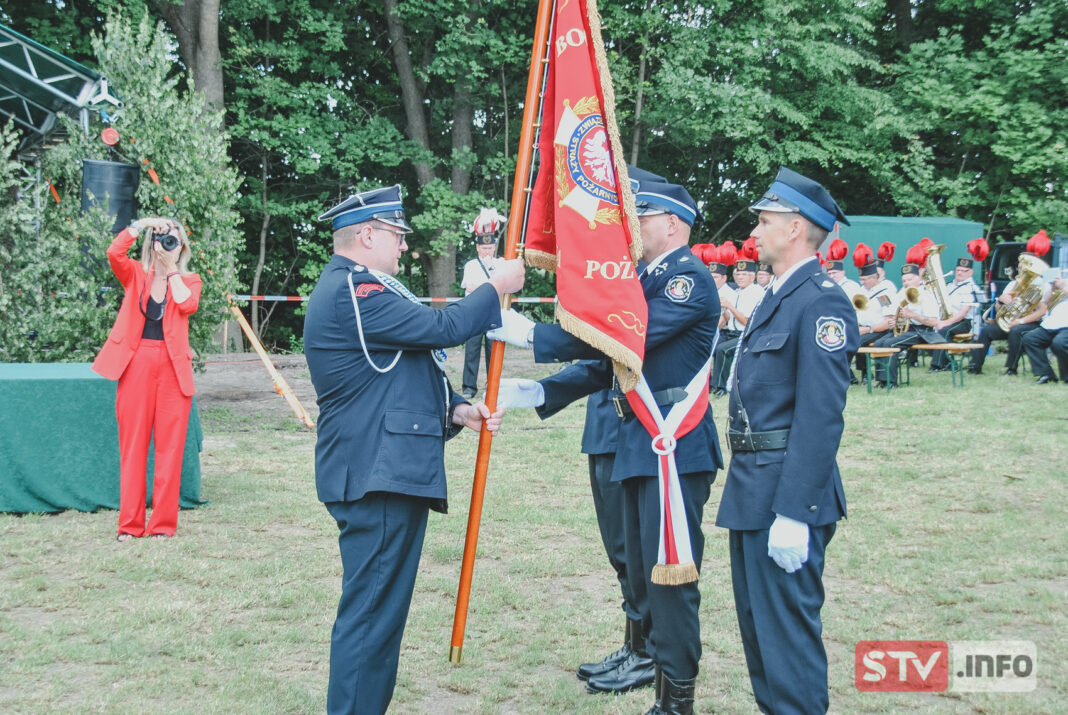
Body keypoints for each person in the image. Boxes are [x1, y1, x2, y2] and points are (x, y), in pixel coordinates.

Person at [492, 171, 722, 714]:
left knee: (670, 579)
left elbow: (625, 338)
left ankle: (676, 702)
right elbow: (608, 362)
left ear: (671, 223)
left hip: (674, 446)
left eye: (641, 217)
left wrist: (531, 334)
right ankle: (660, 682)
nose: (632, 226)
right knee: (645, 574)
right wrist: (537, 391)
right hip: (640, 442)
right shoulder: (648, 277)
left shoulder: (685, 278)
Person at [302, 185, 525, 715]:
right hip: (375, 474)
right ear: (368, 234)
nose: (405, 246)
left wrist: (455, 409)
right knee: (372, 618)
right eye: (397, 235)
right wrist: (496, 288)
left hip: (383, 469)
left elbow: (398, 370)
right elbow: (440, 329)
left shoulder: (366, 288)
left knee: (379, 615)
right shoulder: (352, 291)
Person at [716, 166, 857, 715]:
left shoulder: (819, 300)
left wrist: (796, 511)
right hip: (754, 486)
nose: (756, 229)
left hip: (785, 492)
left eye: (766, 220)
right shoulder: (780, 292)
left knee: (788, 639)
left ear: (796, 228)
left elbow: (822, 416)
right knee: (759, 633)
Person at [91, 217, 201, 542]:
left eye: (176, 241)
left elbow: (188, 304)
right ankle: (130, 525)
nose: (170, 245)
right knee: (133, 447)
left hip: (172, 368)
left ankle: (163, 526)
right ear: (153, 242)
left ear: (183, 248)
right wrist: (141, 224)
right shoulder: (137, 275)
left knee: (170, 450)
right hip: (135, 363)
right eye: (165, 238)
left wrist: (171, 271)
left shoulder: (190, 279)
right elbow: (114, 253)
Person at [967, 253, 1046, 375]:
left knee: (1016, 331)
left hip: (1032, 323)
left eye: (1024, 268)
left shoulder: (1040, 284)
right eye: (1019, 268)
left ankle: (1011, 369)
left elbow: (1042, 311)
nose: (1021, 271)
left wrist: (1020, 321)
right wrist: (1000, 300)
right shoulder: (1012, 284)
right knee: (987, 330)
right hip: (1012, 322)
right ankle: (975, 366)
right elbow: (1000, 311)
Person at [871, 261, 946, 387]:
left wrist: (913, 315)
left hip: (921, 331)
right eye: (904, 280)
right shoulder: (901, 293)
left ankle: (891, 382)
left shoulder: (926, 295)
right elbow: (894, 310)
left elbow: (933, 321)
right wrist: (895, 319)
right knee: (879, 343)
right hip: (905, 329)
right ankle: (882, 380)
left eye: (909, 279)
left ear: (918, 278)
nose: (906, 283)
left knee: (890, 344)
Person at [460, 208, 506, 398]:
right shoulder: (471, 265)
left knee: (492, 351)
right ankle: (469, 388)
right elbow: (469, 286)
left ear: (494, 247)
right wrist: (490, 285)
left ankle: (491, 386)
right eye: (484, 248)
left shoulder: (500, 263)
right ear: (478, 248)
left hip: (492, 312)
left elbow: (504, 286)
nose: (487, 251)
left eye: (490, 248)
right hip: (473, 312)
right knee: (471, 351)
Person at [712, 258, 763, 396]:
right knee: (711, 345)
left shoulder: (756, 293)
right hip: (731, 332)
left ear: (753, 276)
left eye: (744, 274)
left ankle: (721, 386)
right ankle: (711, 383)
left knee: (723, 349)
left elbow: (747, 321)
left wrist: (730, 307)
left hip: (746, 334)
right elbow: (728, 317)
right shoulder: (737, 292)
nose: (740, 277)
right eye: (738, 274)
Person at [929, 253, 983, 372]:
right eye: (958, 270)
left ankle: (938, 365)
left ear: (971, 272)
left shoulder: (971, 288)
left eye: (964, 271)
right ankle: (949, 362)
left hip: (963, 322)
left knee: (944, 331)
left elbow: (963, 312)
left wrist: (945, 323)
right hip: (948, 319)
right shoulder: (949, 285)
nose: (960, 273)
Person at [1022, 278, 1068, 384]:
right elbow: (1046, 302)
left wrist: (1063, 286)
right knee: (1031, 338)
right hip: (1053, 323)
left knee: (1059, 343)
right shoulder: (1065, 281)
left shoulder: (1064, 284)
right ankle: (1046, 374)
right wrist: (1052, 289)